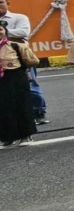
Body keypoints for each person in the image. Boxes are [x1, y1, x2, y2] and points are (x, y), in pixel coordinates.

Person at [0, 0, 48, 125]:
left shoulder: (19, 18)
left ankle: (38, 112)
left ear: (8, 3)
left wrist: (3, 31)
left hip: (19, 57)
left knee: (29, 85)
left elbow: (23, 32)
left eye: (1, 2)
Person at [0, 19, 38, 147]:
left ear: (5, 31)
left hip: (15, 77)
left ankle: (26, 135)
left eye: (0, 30)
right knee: (3, 107)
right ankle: (8, 137)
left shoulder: (16, 46)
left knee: (21, 105)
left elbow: (33, 61)